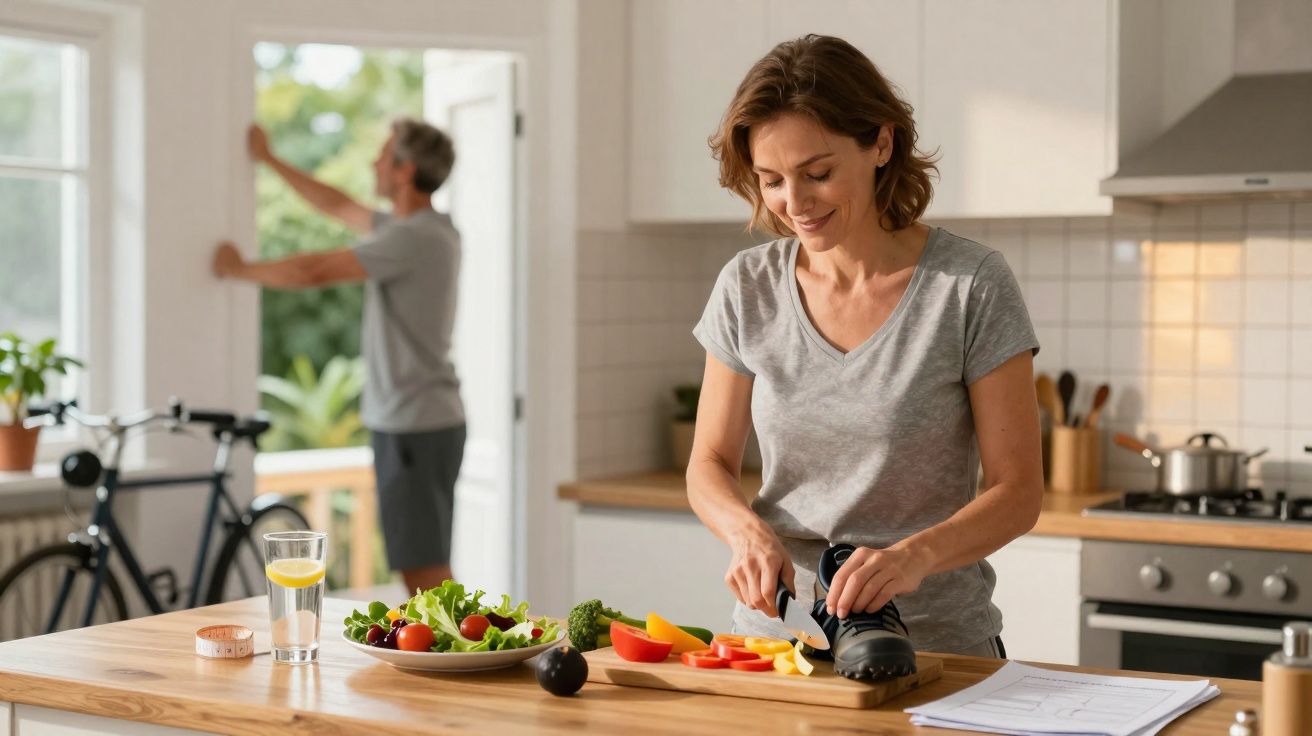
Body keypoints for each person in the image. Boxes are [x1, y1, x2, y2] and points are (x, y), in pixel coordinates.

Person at [688, 35, 1044, 660]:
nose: (794, 205)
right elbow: (708, 463)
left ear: (881, 144)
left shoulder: (969, 285)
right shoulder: (747, 286)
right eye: (771, 180)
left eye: (818, 173)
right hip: (774, 644)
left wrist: (914, 558)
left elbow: (1018, 492)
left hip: (936, 650)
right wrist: (745, 533)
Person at [213, 119, 466, 594]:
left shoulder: (413, 239)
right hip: (419, 422)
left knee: (424, 572)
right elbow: (338, 204)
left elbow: (313, 271)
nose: (374, 162)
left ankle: (469, 660)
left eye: (383, 154)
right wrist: (270, 160)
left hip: (415, 425)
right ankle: (457, 658)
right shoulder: (421, 229)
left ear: (404, 170)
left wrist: (238, 270)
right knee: (421, 565)